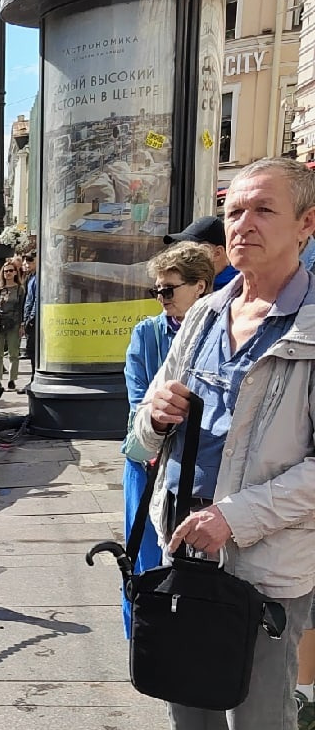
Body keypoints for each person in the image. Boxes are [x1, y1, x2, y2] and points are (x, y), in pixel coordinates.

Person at [126, 157, 315, 730]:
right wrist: (154, 415)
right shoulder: (205, 315)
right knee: (189, 682)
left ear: (306, 224)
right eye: (234, 212)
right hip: (185, 537)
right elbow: (144, 436)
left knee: (260, 707)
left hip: (266, 550)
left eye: (263, 210)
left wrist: (233, 518)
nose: (242, 225)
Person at [120, 244, 215, 636]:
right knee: (141, 556)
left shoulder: (217, 330)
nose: (161, 299)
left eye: (168, 290)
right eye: (157, 291)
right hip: (147, 462)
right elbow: (137, 397)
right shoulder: (147, 332)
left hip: (193, 466)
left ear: (200, 287)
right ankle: (141, 634)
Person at [163, 215, 237, 290]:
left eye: (193, 251)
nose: (184, 256)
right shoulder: (188, 286)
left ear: (217, 253)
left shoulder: (238, 288)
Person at [0, 257, 25, 390]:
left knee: (13, 353)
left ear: (15, 273)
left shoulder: (19, 289)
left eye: (11, 271)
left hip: (14, 323)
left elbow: (22, 307)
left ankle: (12, 379)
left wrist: (22, 325)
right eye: (5, 271)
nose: (8, 273)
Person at [22, 250, 39, 384]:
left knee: (34, 352)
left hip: (34, 321)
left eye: (30, 261)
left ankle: (34, 379)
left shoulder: (37, 278)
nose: (26, 264)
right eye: (25, 261)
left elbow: (36, 300)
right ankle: (33, 378)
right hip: (29, 318)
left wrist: (31, 319)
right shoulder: (30, 277)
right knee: (31, 352)